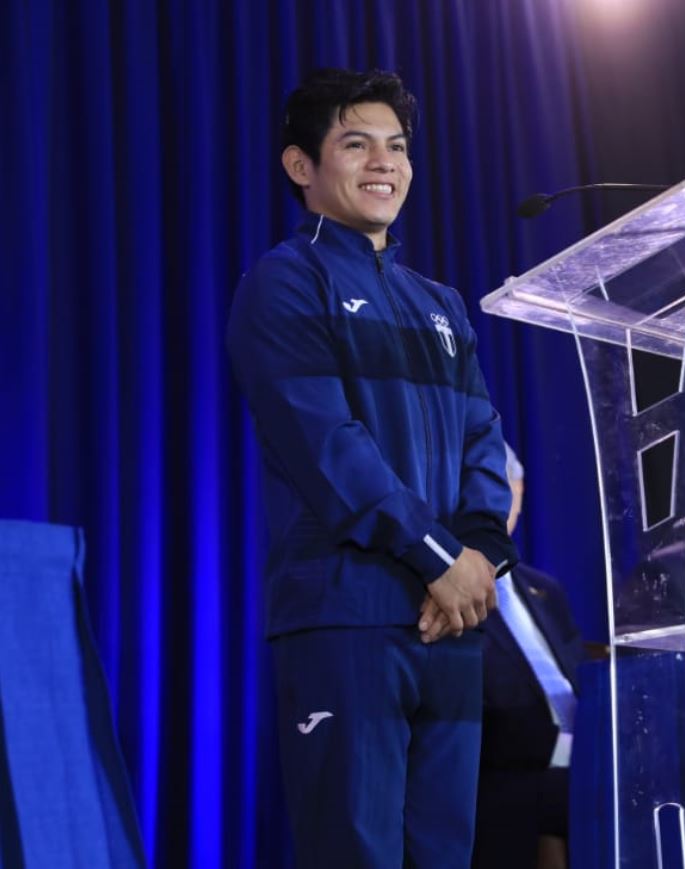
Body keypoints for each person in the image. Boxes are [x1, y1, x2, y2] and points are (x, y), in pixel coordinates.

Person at [226, 68, 516, 867]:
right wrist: (440, 562)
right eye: (356, 144)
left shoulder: (444, 303)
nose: (383, 162)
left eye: (396, 146)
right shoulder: (284, 281)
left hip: (451, 624)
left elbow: (483, 442)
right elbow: (329, 449)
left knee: (443, 853)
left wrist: (479, 560)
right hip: (347, 616)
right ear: (301, 167)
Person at [473, 445, 585, 869]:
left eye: (505, 487)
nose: (495, 501)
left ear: (519, 492)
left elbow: (579, 677)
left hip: (584, 757)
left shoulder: (544, 589)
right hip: (507, 769)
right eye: (481, 486)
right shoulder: (444, 588)